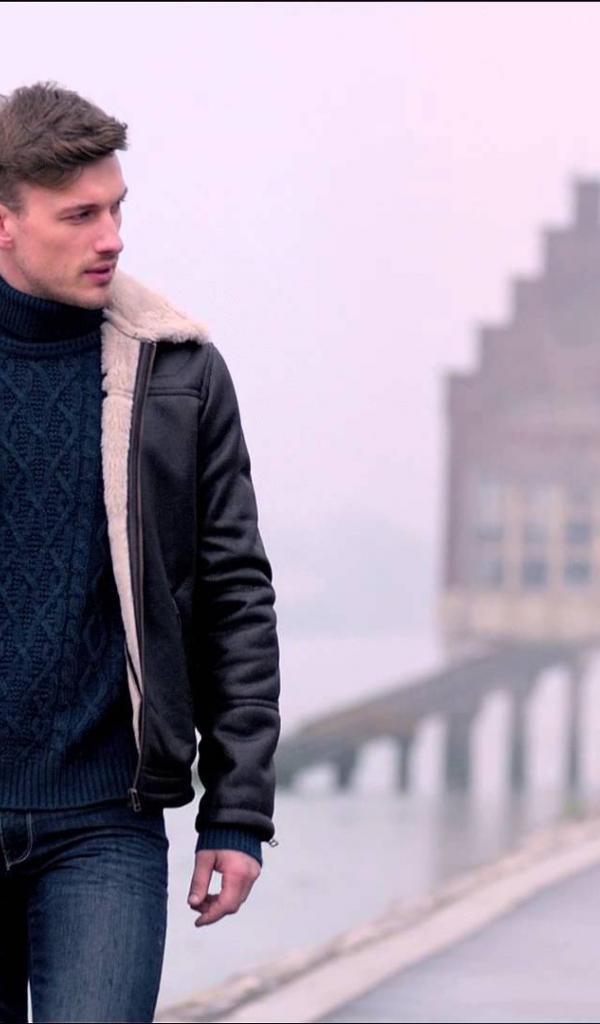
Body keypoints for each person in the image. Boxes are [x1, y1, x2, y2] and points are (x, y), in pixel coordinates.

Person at [0, 80, 281, 1023]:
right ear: (5, 223)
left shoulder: (179, 373)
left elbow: (236, 596)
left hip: (105, 825)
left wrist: (236, 808)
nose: (112, 237)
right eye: (79, 215)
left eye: (116, 208)